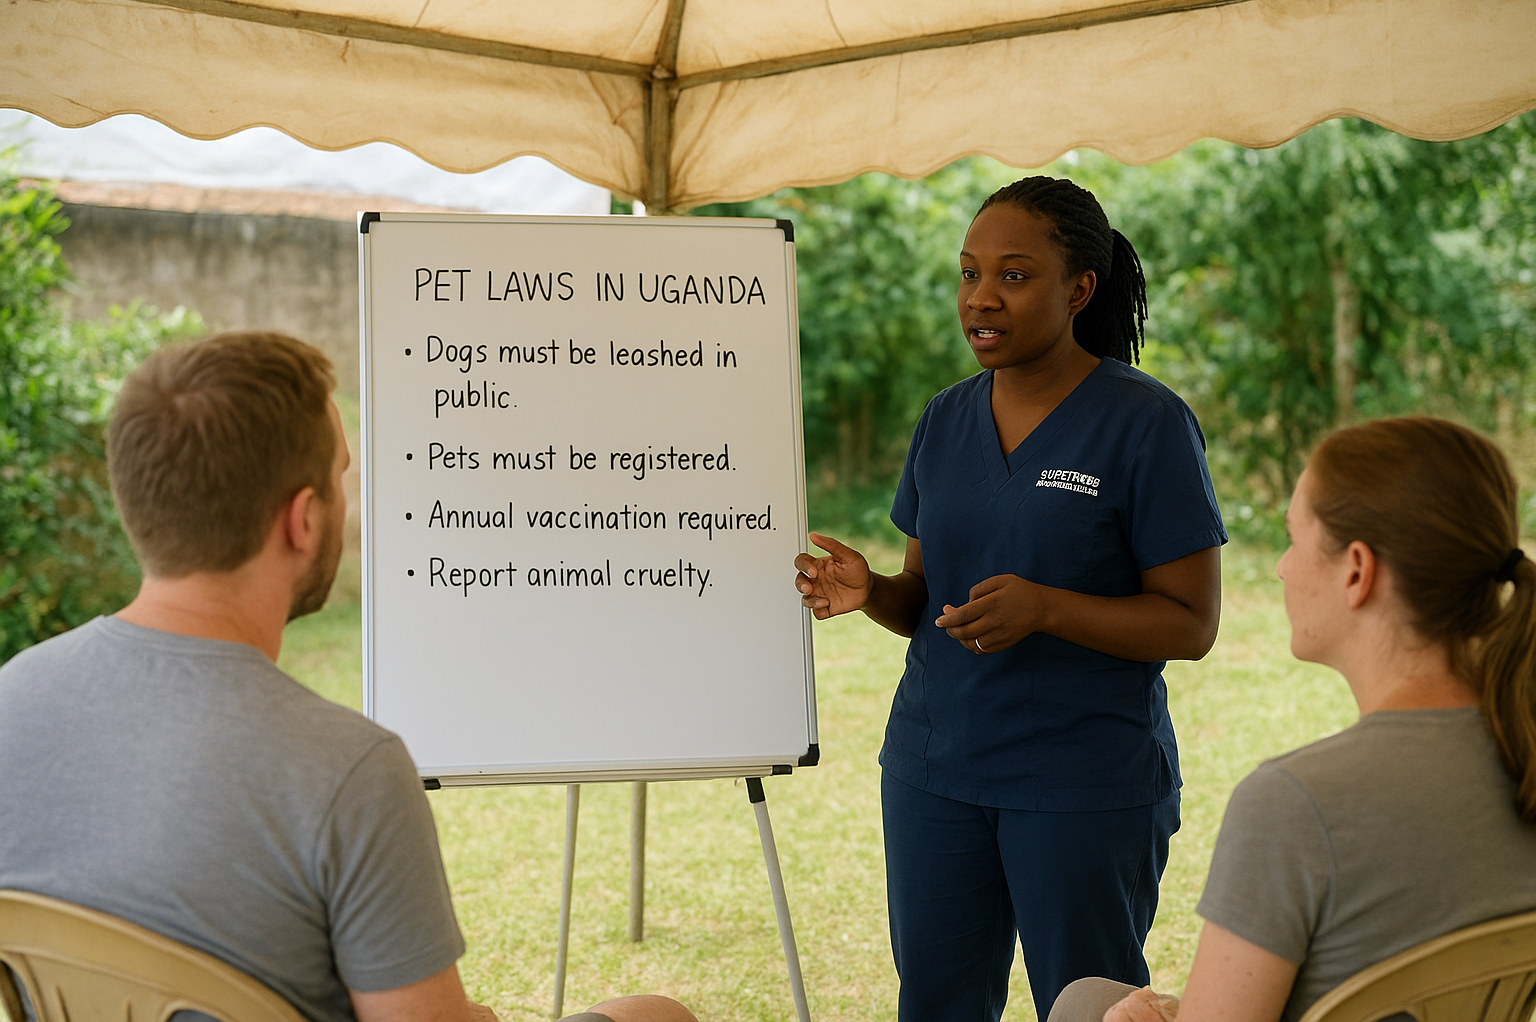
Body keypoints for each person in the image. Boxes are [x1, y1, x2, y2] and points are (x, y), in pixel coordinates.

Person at [0, 331, 693, 1022]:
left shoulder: (12, 703)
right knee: (654, 1015)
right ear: (303, 519)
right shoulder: (347, 774)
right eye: (340, 477)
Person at [793, 177, 1226, 1020]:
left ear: (1079, 289)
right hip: (935, 772)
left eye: (1014, 275)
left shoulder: (1145, 423)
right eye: (968, 273)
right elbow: (925, 599)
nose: (981, 297)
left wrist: (1050, 608)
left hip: (1081, 783)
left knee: (1091, 1005)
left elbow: (1192, 623)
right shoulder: (944, 420)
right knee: (938, 1002)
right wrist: (873, 590)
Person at [1049, 416, 1536, 1022]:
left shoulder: (1295, 805)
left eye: (1294, 539)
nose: (1281, 568)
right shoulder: (1522, 751)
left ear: (1356, 571)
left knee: (1084, 1006)